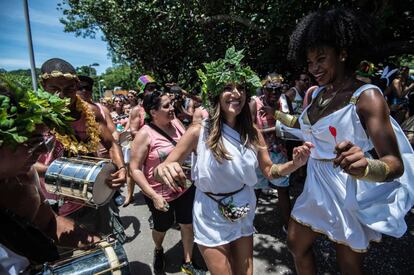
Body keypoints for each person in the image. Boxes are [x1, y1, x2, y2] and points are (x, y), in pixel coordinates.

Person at [154, 47, 313, 275]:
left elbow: (269, 171)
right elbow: (162, 169)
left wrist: (295, 164)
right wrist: (164, 168)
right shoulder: (199, 131)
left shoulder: (253, 132)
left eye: (241, 88)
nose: (236, 93)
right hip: (209, 210)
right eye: (228, 88)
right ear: (217, 93)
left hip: (243, 206)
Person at [283, 8, 414, 274]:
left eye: (321, 59)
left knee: (349, 265)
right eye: (309, 62)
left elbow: (394, 163)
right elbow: (307, 126)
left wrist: (365, 166)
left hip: (347, 189)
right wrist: (271, 115)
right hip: (315, 182)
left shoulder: (367, 96)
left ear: (342, 53)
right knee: (296, 243)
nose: (314, 68)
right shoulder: (318, 93)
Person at [0, 77, 100, 273]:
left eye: (43, 141)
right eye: (33, 142)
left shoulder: (26, 175)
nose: (42, 151)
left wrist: (94, 243)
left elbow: (48, 222)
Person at [35, 58, 127, 243]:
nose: (61, 96)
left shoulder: (91, 112)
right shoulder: (34, 117)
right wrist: (62, 173)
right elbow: (21, 164)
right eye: (54, 89)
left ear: (76, 85)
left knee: (107, 249)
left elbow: (111, 143)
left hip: (92, 197)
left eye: (68, 89)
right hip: (54, 204)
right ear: (43, 85)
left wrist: (122, 168)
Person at [129, 90, 204, 274]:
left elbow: (189, 147)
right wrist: (153, 196)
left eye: (171, 104)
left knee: (187, 223)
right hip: (159, 194)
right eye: (166, 106)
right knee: (161, 227)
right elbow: (135, 169)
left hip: (184, 188)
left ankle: (188, 261)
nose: (172, 108)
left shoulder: (177, 124)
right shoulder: (144, 135)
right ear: (153, 112)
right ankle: (159, 249)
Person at [249, 74, 292, 233]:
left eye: (278, 90)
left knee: (283, 189)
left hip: (279, 152)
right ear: (263, 89)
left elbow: (293, 123)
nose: (274, 94)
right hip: (259, 154)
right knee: (256, 189)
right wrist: (275, 129)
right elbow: (250, 130)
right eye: (270, 90)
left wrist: (276, 117)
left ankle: (288, 225)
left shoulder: (284, 102)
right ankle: (247, 223)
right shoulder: (255, 103)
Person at [123, 74, 158, 206]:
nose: (153, 90)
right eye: (150, 88)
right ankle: (130, 195)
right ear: (143, 92)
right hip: (141, 146)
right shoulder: (137, 110)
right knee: (132, 171)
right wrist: (151, 137)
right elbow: (133, 131)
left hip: (156, 148)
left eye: (155, 87)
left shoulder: (159, 106)